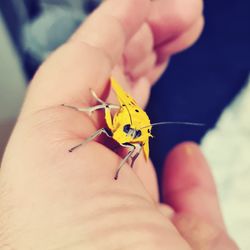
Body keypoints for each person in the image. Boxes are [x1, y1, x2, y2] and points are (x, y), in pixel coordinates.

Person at [0, 0, 238, 249]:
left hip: (130, 133)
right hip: (117, 115)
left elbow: (135, 145)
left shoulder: (136, 140)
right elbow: (109, 110)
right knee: (105, 112)